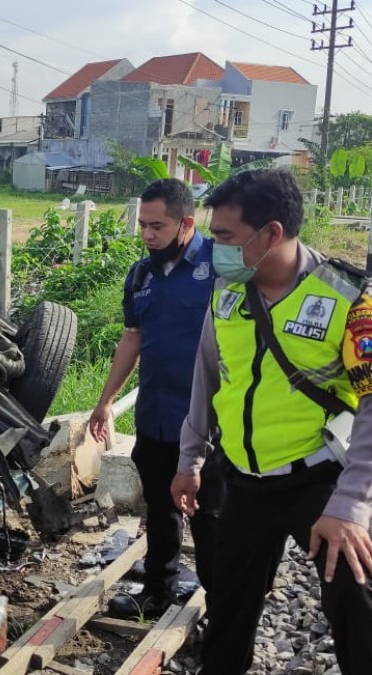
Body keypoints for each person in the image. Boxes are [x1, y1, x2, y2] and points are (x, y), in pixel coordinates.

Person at [171, 169, 372, 674]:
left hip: (319, 480)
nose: (217, 249)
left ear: (272, 233)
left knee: (356, 599)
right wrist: (190, 459)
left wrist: (351, 505)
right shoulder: (228, 292)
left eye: (226, 237)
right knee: (229, 606)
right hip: (243, 480)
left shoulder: (353, 301)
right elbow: (208, 376)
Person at [88, 178, 224, 618]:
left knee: (210, 519)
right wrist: (107, 399)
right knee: (161, 510)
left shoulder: (221, 268)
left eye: (157, 226)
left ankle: (221, 607)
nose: (147, 235)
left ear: (186, 224)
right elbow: (132, 339)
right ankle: (158, 590)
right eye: (143, 225)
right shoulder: (140, 276)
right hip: (156, 417)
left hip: (209, 422)